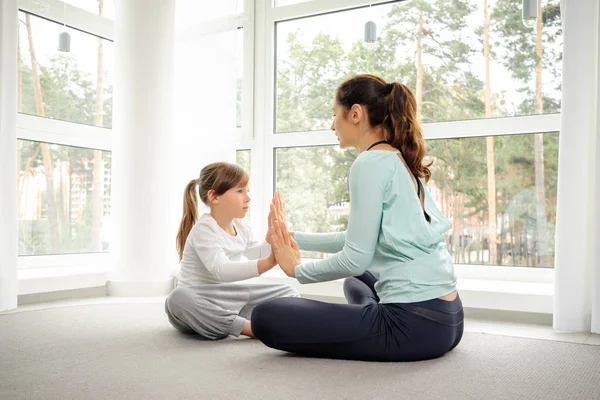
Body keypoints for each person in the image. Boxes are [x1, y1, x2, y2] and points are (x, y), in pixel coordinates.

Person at [252, 74, 464, 361]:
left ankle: (364, 320)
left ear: (355, 114)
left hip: (413, 325)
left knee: (265, 315)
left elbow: (356, 257)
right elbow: (357, 240)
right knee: (357, 281)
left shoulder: (369, 163)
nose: (332, 125)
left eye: (334, 115)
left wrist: (297, 271)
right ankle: (362, 318)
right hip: (449, 317)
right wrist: (289, 237)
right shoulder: (397, 158)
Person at [165, 162, 299, 340]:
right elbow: (221, 270)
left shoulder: (241, 226)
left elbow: (257, 254)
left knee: (289, 291)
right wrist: (267, 264)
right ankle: (249, 328)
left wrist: (270, 236)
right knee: (177, 299)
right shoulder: (204, 229)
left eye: (248, 191)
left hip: (228, 298)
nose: (248, 198)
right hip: (199, 300)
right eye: (240, 191)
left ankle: (242, 318)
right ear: (214, 197)